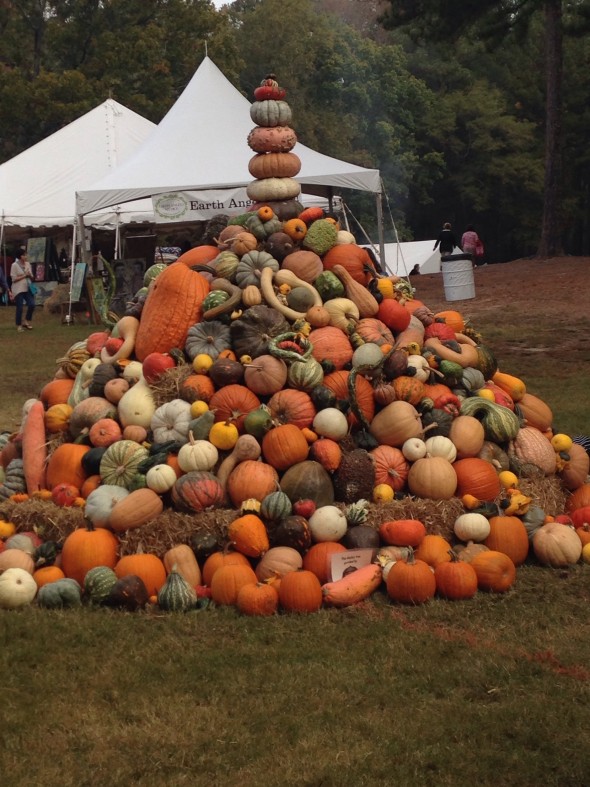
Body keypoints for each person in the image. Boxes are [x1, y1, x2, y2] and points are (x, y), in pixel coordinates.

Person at [10, 249, 35, 332]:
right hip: (18, 289)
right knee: (20, 307)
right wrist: (24, 275)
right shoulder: (14, 265)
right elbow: (13, 279)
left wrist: (30, 275)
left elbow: (31, 276)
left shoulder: (28, 264)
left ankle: (26, 320)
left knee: (32, 304)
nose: (26, 256)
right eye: (24, 255)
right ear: (20, 256)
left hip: (27, 287)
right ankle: (19, 325)